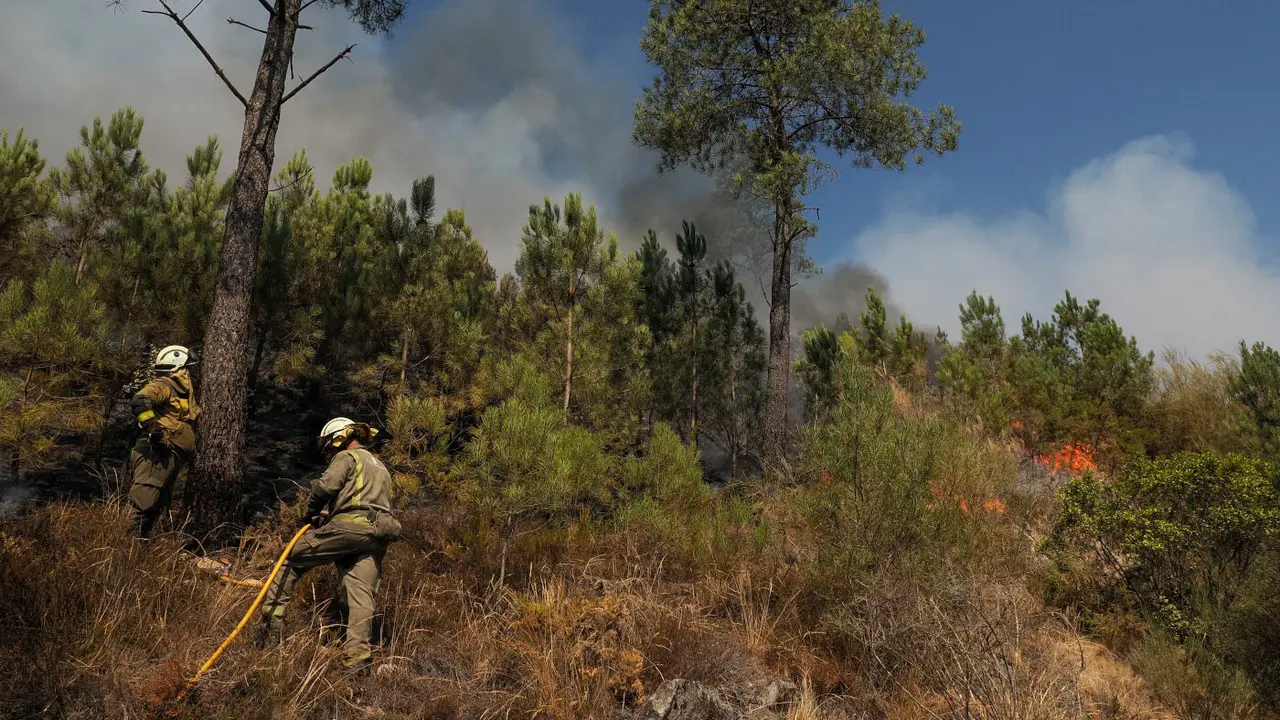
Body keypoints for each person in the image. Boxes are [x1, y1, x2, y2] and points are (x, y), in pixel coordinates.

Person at [260, 417, 402, 671]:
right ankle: (357, 661)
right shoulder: (380, 466)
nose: (328, 453)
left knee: (291, 559)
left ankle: (270, 630)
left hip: (349, 529)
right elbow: (364, 500)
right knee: (361, 595)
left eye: (329, 447)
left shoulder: (347, 458)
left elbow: (326, 487)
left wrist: (311, 512)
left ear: (340, 439)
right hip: (376, 537)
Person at [127, 344, 200, 537]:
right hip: (154, 456)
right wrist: (154, 430)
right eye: (187, 368)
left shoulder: (180, 392)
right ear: (178, 368)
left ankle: (139, 552)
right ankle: (123, 551)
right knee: (142, 505)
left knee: (155, 508)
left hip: (167, 458)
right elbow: (139, 401)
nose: (190, 373)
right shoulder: (164, 385)